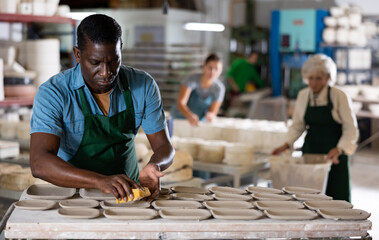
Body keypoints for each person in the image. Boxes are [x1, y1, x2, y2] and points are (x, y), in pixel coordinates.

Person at [29, 14, 174, 202]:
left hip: (127, 195)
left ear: (120, 50)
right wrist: (99, 181)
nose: (106, 73)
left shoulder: (143, 85)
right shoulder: (54, 93)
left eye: (114, 61)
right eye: (95, 63)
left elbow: (164, 146)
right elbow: (39, 163)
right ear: (78, 54)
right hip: (73, 198)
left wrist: (155, 165)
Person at [272, 54, 358, 202]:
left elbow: (350, 128)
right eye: (310, 78)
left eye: (319, 78)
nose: (313, 83)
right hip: (311, 149)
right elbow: (298, 125)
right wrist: (286, 144)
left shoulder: (339, 96)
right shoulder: (303, 95)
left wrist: (339, 149)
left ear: (328, 78)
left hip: (334, 153)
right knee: (310, 196)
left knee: (336, 195)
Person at [170, 53, 225, 126]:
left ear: (221, 70)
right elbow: (181, 104)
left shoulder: (219, 88)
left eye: (216, 69)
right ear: (204, 66)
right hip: (179, 119)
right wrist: (190, 115)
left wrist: (210, 116)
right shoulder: (191, 80)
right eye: (210, 68)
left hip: (198, 122)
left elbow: (213, 111)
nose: (212, 72)